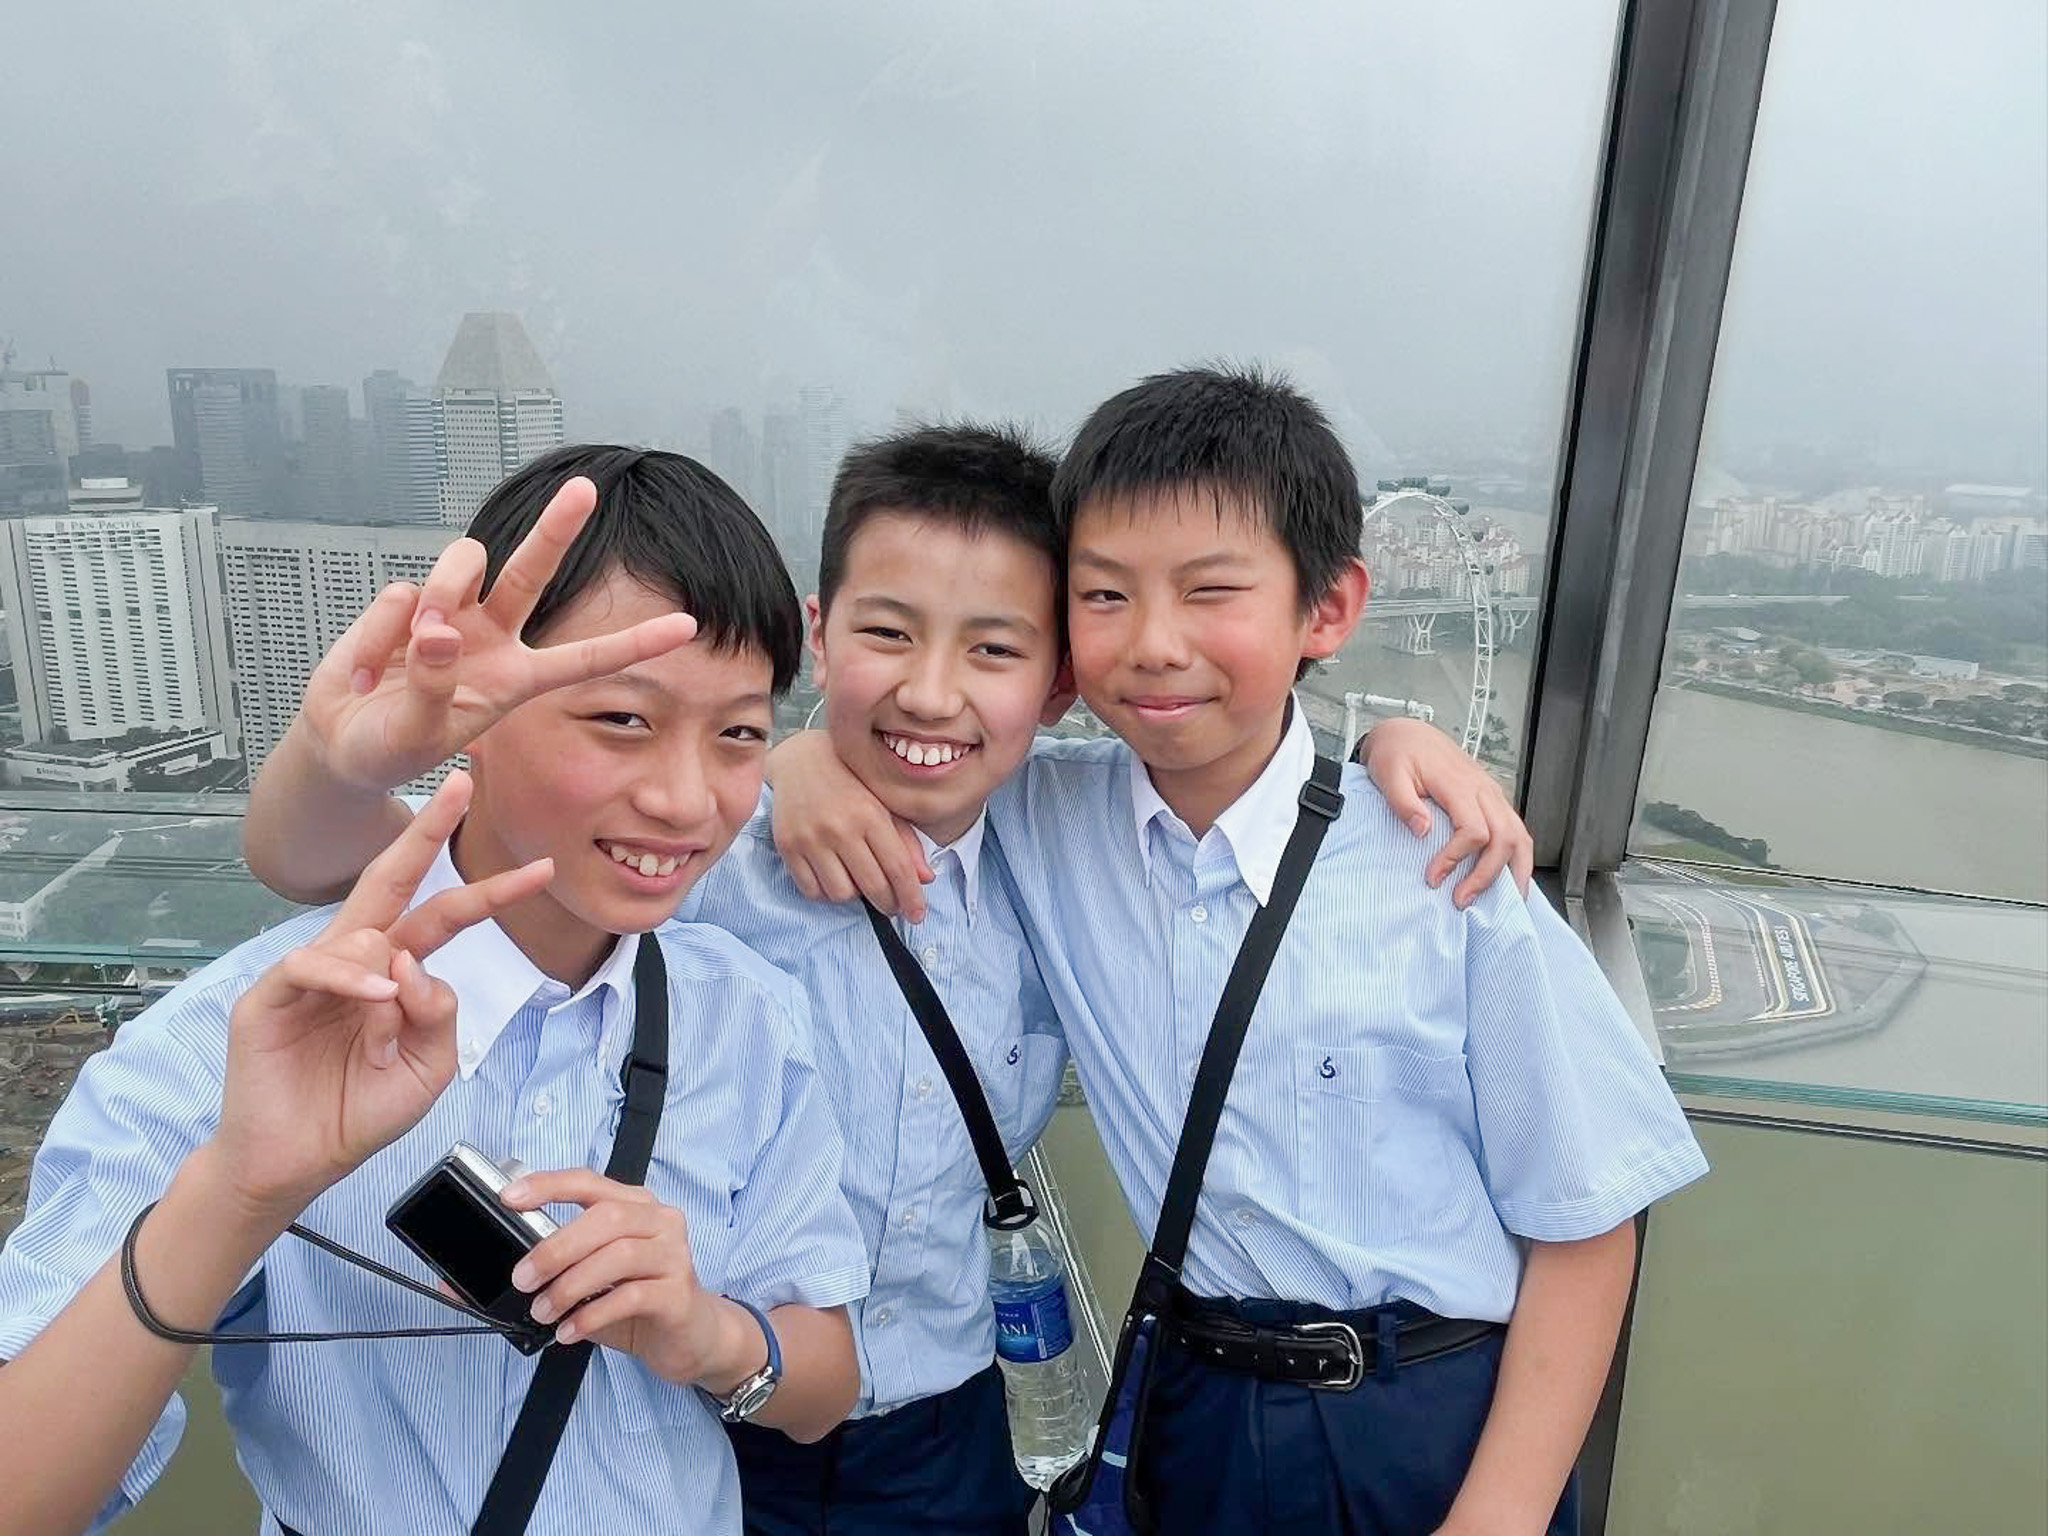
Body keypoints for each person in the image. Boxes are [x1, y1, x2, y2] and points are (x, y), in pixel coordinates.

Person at [240, 422, 1533, 1535]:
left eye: (993, 650)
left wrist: (1387, 747)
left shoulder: (1064, 846)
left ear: (1060, 683)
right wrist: (793, 759)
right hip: (692, 1404)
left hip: (946, 1414)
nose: (931, 692)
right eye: (886, 634)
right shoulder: (697, 842)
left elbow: (1234, 781)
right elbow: (313, 860)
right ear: (817, 632)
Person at [767, 366, 1709, 1535]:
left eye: (1209, 592)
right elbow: (921, 742)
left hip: (1423, 1417)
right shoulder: (1050, 824)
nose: (1154, 646)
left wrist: (1498, 1520)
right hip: (1189, 1407)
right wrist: (789, 762)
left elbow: (1585, 1223)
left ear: (1327, 609)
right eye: (1103, 598)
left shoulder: (1441, 866)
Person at [0, 445, 870, 1536]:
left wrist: (704, 1333)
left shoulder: (744, 1015)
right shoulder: (246, 1035)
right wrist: (238, 1190)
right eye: (621, 719)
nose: (687, 798)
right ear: (476, 710)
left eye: (739, 733)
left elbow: (825, 1381)